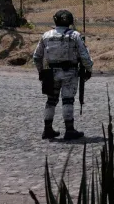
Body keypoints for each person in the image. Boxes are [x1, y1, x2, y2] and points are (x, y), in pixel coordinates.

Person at [32, 9, 93, 140]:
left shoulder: (46, 35)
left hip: (50, 73)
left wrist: (41, 71)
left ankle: (47, 129)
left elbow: (37, 56)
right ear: (70, 21)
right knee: (68, 100)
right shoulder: (75, 35)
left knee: (51, 101)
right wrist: (89, 69)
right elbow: (84, 56)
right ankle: (69, 130)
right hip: (70, 72)